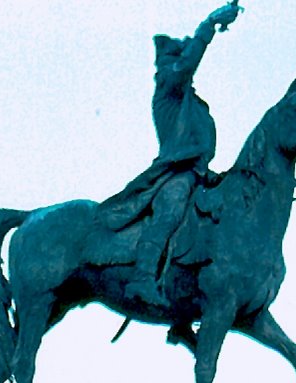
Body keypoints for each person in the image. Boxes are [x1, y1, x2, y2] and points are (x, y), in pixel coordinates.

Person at [102, 2, 241, 308]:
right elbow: (188, 62)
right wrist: (210, 24)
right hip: (175, 174)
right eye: (179, 56)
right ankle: (142, 278)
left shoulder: (188, 98)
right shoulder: (169, 85)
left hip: (198, 172)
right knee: (171, 211)